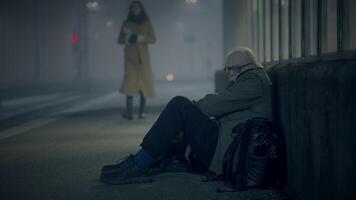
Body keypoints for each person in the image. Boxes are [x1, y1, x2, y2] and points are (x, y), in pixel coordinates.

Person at [100, 47, 272, 185]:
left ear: (245, 66)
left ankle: (138, 164)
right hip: (225, 143)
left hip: (228, 151)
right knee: (173, 130)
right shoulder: (250, 80)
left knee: (179, 105)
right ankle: (138, 161)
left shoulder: (253, 82)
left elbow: (216, 104)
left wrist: (191, 111)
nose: (229, 74)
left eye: (232, 69)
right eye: (227, 69)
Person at [118, 1, 156, 120]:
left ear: (141, 9)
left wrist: (141, 38)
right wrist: (127, 39)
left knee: (143, 84)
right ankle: (129, 112)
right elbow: (120, 40)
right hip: (130, 59)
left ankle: (142, 112)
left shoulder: (146, 23)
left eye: (137, 7)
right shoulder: (126, 23)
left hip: (143, 59)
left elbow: (153, 38)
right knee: (130, 84)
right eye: (133, 7)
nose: (135, 9)